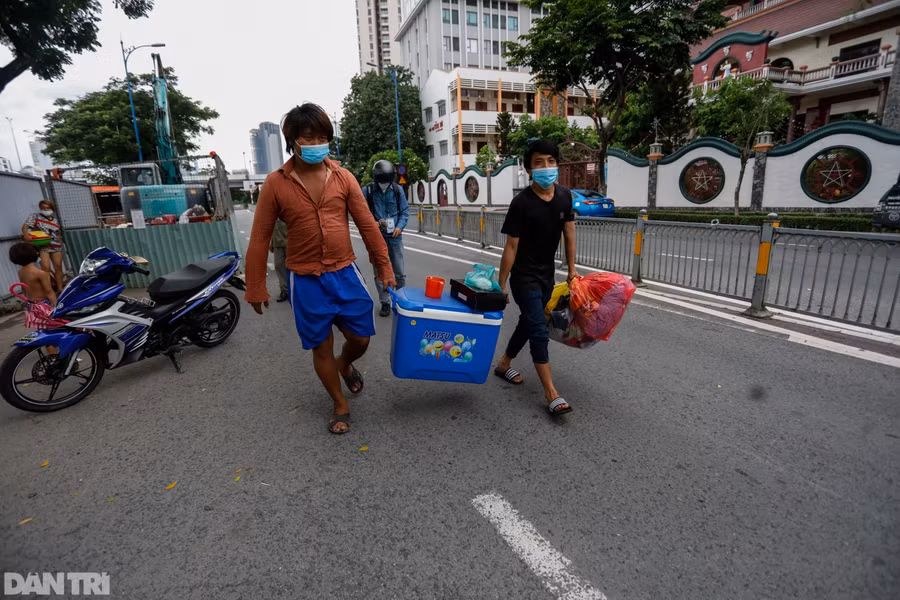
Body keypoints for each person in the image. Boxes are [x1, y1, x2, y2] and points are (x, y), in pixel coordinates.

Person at [244, 103, 395, 435]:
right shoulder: (275, 184)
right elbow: (260, 237)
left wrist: (384, 266)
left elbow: (368, 226)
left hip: (345, 272)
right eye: (309, 138)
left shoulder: (343, 177)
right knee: (320, 345)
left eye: (322, 137)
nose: (316, 144)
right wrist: (255, 284)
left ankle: (345, 364)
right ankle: (339, 404)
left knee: (361, 337)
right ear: (293, 141)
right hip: (306, 279)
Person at [494, 139, 579, 416]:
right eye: (539, 162)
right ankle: (550, 392)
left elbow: (569, 234)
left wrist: (573, 270)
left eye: (551, 161)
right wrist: (501, 283)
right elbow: (511, 247)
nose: (546, 167)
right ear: (529, 169)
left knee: (530, 322)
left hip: (547, 275)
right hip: (523, 276)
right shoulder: (521, 203)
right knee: (539, 331)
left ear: (557, 164)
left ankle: (504, 363)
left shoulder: (566, 196)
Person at [362, 160, 408, 317]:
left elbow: (404, 211)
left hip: (395, 237)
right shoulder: (367, 191)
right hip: (377, 238)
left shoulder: (397, 190)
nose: (384, 185)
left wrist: (399, 227)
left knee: (400, 272)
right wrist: (373, 223)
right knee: (380, 273)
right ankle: (385, 302)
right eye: (382, 182)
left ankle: (401, 299)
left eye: (387, 182)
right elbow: (361, 213)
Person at [8, 242, 59, 331]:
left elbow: (24, 289)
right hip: (44, 304)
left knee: (42, 330)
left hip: (31, 305)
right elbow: (49, 291)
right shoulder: (41, 273)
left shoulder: (21, 272)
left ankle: (47, 344)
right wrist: (56, 307)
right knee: (52, 329)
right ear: (34, 254)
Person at [22, 199, 64, 294]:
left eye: (48, 208)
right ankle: (48, 290)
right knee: (45, 268)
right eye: (43, 208)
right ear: (40, 208)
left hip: (56, 246)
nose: (45, 209)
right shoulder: (35, 216)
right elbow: (25, 226)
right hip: (43, 246)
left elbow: (57, 233)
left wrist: (58, 235)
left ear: (52, 208)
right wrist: (26, 235)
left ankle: (60, 289)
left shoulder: (55, 220)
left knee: (58, 267)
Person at [270, 218, 289, 302]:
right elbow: (272, 228)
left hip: (291, 242)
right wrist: (272, 243)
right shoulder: (273, 210)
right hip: (278, 243)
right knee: (279, 266)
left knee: (294, 267)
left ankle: (297, 290)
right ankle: (285, 291)